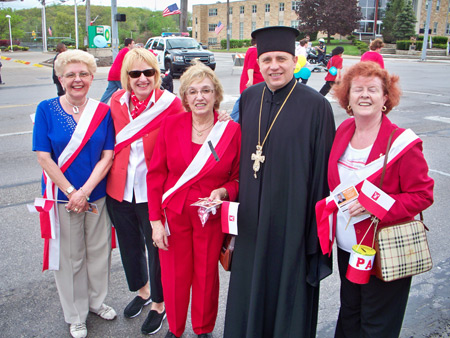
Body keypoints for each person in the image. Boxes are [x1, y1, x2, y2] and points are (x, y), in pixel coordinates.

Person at [224, 26, 336, 338]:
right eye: (267, 59)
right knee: (250, 289)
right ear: (258, 63)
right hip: (251, 221)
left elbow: (322, 177)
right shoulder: (249, 98)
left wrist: (313, 235)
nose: (274, 65)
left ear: (294, 60)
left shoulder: (317, 107)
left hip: (292, 223)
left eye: (282, 59)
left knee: (286, 292)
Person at [316, 61, 434, 337]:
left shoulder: (402, 142)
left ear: (385, 98)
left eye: (372, 89)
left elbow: (422, 195)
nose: (364, 95)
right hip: (349, 248)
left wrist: (375, 203)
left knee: (377, 324)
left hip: (385, 249)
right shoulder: (344, 131)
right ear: (348, 98)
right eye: (357, 90)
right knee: (350, 315)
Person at [147, 60, 241, 338]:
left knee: (205, 277)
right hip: (173, 215)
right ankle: (175, 329)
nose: (200, 97)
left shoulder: (231, 131)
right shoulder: (171, 125)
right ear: (185, 97)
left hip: (209, 217)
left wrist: (223, 192)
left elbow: (238, 180)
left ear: (216, 95)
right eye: (193, 91)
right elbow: (155, 176)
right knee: (174, 277)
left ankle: (203, 329)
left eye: (206, 91)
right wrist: (155, 222)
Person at [32, 49, 116, 338]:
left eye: (83, 74)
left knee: (98, 251)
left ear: (92, 78)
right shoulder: (46, 109)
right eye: (70, 75)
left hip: (96, 194)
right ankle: (75, 314)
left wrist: (86, 191)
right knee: (70, 257)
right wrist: (71, 192)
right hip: (61, 197)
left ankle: (95, 301)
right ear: (60, 78)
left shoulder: (103, 112)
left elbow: (108, 156)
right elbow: (44, 157)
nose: (77, 79)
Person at [106, 48, 184, 335]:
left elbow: (194, 130)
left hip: (154, 191)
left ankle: (159, 304)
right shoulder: (116, 101)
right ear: (126, 77)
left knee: (157, 249)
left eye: (148, 72)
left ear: (158, 74)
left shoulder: (171, 104)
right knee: (129, 245)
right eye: (135, 73)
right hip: (120, 188)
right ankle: (143, 291)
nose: (142, 78)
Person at [230, 38, 264, 122]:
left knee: (244, 102)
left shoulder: (251, 50)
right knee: (243, 102)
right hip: (254, 83)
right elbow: (250, 67)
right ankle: (232, 122)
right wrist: (251, 80)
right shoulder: (254, 51)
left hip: (253, 83)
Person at [100, 38, 135, 103]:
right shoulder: (127, 51)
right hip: (119, 75)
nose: (134, 45)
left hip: (113, 74)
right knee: (127, 91)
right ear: (129, 44)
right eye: (133, 43)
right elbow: (130, 63)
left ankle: (101, 104)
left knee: (108, 92)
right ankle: (127, 106)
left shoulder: (122, 50)